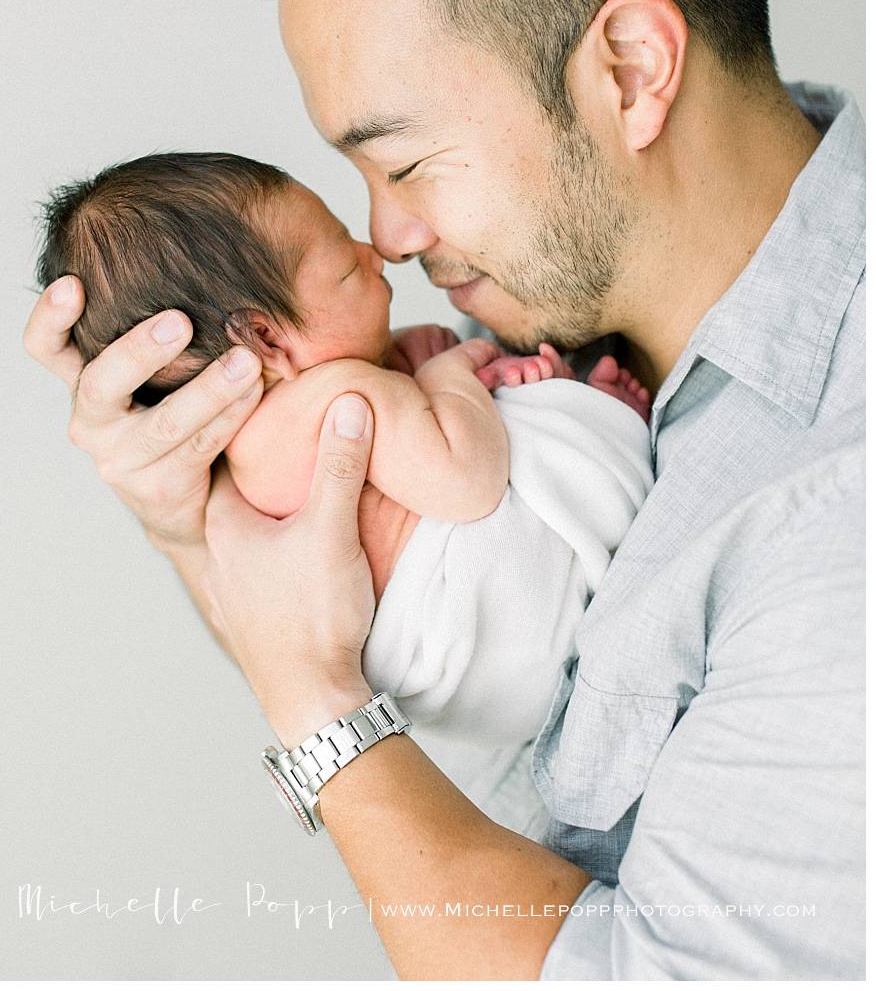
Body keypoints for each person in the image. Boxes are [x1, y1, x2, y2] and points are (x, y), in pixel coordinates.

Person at [24, 0, 864, 978]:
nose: (390, 236)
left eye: (405, 160)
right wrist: (194, 519)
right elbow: (370, 622)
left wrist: (316, 707)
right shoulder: (528, 332)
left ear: (632, 71)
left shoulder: (838, 504)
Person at [35, 149, 653, 840]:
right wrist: (455, 369)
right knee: (535, 426)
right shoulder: (336, 396)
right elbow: (467, 480)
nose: (375, 251)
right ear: (267, 338)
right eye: (343, 262)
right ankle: (605, 414)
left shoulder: (243, 450)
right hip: (510, 634)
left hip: (476, 706)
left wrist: (416, 370)